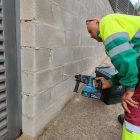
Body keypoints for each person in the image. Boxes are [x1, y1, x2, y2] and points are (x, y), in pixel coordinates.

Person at [86, 14, 140, 139]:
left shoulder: (107, 21)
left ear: (98, 22)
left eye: (90, 31)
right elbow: (133, 64)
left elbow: (125, 59)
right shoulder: (121, 28)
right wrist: (110, 82)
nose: (90, 36)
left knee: (132, 106)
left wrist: (129, 90)